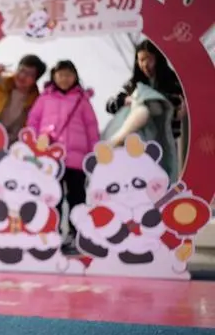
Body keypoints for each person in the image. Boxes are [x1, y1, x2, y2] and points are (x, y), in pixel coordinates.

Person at [26, 60, 100, 254]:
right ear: (54, 76)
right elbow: (33, 121)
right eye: (60, 74)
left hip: (77, 158)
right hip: (51, 158)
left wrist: (94, 154)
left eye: (68, 75)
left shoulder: (82, 100)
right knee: (53, 198)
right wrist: (35, 142)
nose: (64, 78)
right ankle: (53, 233)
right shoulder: (44, 98)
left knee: (77, 198)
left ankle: (77, 234)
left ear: (75, 77)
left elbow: (91, 128)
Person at [103, 40, 180, 181]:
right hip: (140, 141)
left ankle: (114, 142)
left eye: (149, 59)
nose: (145, 64)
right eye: (141, 60)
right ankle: (116, 141)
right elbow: (109, 105)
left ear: (158, 58)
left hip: (166, 138)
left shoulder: (173, 82)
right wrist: (125, 101)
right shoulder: (132, 84)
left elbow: (178, 110)